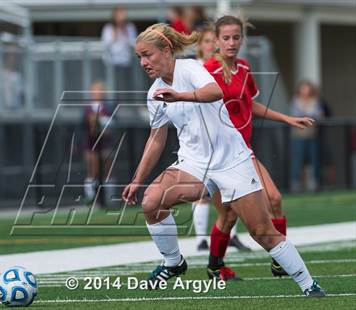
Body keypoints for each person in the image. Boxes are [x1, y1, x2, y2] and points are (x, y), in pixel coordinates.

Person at [123, 23, 325, 297]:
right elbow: (156, 139)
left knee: (261, 231)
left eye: (148, 55)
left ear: (167, 50)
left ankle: (308, 285)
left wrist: (181, 96)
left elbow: (214, 92)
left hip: (232, 160)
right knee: (151, 201)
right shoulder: (154, 94)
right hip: (194, 164)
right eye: (139, 57)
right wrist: (136, 180)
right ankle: (173, 263)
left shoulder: (191, 68)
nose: (143, 62)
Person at [203, 15, 317, 281]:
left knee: (274, 199)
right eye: (226, 38)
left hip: (243, 150)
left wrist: (287, 117)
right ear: (217, 40)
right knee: (228, 214)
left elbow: (250, 105)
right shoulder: (207, 71)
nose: (231, 42)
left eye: (236, 37)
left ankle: (278, 263)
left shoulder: (243, 67)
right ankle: (215, 267)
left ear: (242, 39)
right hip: (219, 155)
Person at [191, 25, 250, 252]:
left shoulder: (222, 66)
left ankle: (230, 236)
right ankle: (200, 240)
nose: (210, 46)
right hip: (202, 139)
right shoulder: (196, 68)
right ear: (199, 46)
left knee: (229, 192)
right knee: (203, 192)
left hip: (225, 139)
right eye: (205, 41)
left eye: (211, 41)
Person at [290, 80, 324, 192]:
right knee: (297, 161)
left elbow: (318, 115)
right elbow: (295, 115)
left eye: (307, 88)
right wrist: (307, 116)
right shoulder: (296, 101)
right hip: (298, 136)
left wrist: (306, 116)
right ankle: (296, 185)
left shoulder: (315, 101)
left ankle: (314, 184)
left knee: (314, 160)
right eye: (303, 88)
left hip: (312, 135)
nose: (305, 90)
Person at [83, 81, 114, 204]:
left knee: (108, 170)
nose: (98, 93)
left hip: (106, 144)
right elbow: (82, 126)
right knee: (92, 170)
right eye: (95, 90)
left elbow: (114, 122)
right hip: (91, 145)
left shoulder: (109, 107)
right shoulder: (87, 109)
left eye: (100, 90)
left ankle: (109, 197)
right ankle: (91, 197)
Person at [101, 6, 137, 94]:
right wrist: (115, 32)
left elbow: (133, 42)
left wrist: (125, 32)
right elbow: (105, 43)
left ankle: (128, 105)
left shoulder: (129, 27)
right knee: (114, 87)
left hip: (126, 61)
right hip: (112, 62)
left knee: (127, 86)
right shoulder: (108, 28)